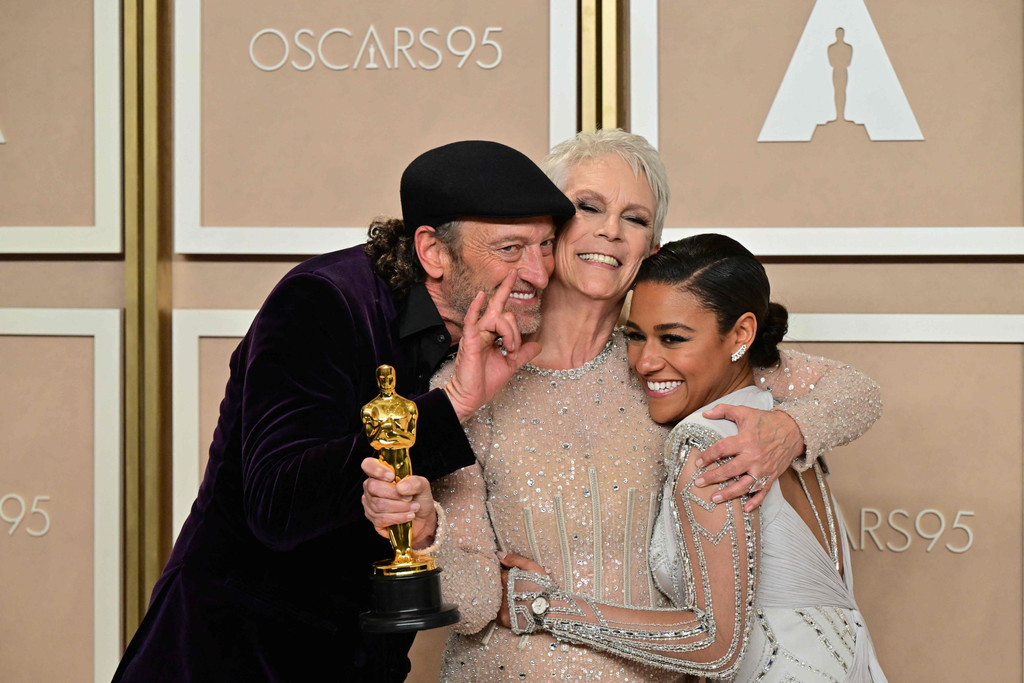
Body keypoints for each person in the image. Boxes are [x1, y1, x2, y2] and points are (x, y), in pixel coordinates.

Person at [362, 130, 882, 680]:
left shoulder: (667, 364)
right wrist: (427, 538)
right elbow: (475, 606)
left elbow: (857, 393)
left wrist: (789, 428)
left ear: (650, 250)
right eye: (588, 207)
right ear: (549, 230)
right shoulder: (470, 380)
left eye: (634, 218)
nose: (610, 230)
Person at [112, 140, 576, 682]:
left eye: (546, 245)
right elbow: (277, 505)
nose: (538, 273)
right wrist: (454, 404)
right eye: (511, 249)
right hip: (227, 655)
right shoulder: (321, 301)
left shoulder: (492, 330)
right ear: (432, 251)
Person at [506, 233, 886, 681]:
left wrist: (545, 607)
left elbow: (716, 644)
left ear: (741, 334)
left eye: (672, 338)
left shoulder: (712, 444)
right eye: (635, 336)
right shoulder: (780, 423)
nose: (645, 362)